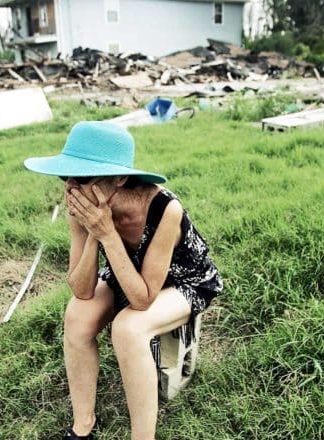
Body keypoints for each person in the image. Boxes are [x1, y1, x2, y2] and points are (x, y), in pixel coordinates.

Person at [24, 121, 222, 440]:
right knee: (77, 315)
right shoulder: (80, 207)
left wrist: (107, 234)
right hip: (125, 270)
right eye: (66, 176)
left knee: (129, 328)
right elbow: (82, 289)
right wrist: (94, 234)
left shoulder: (164, 209)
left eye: (85, 178)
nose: (72, 187)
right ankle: (82, 427)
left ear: (119, 178)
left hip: (185, 281)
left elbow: (142, 298)